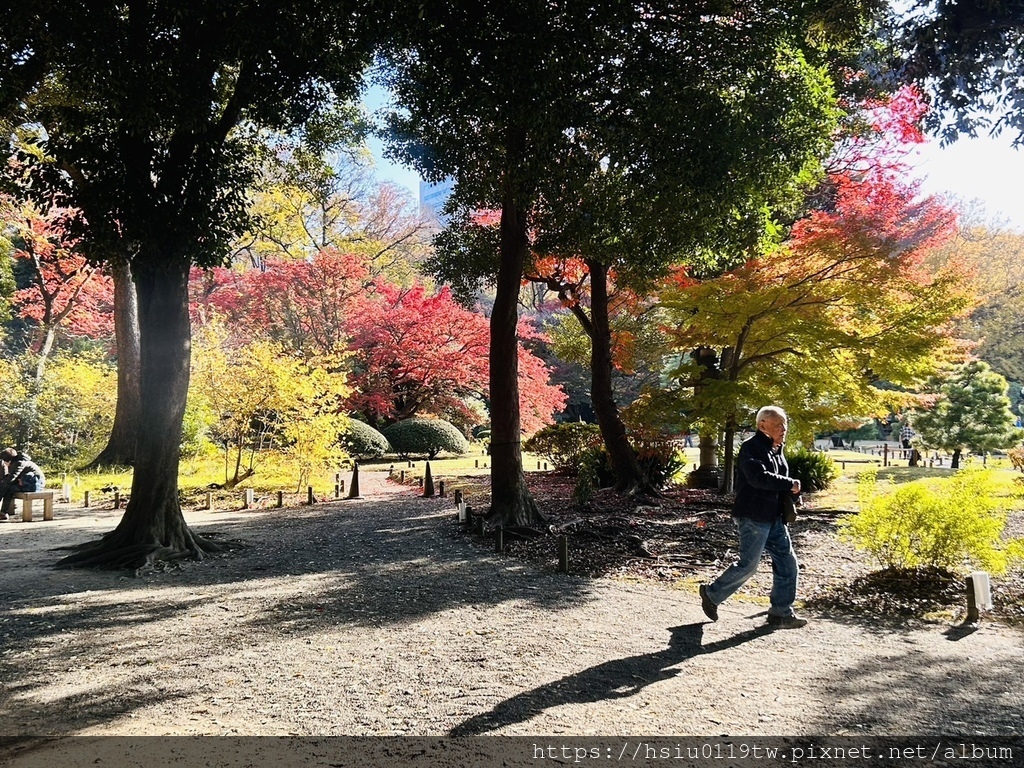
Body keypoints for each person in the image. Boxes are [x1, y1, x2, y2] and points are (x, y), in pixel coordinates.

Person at [699, 405, 806, 629]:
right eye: (778, 425)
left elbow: (777, 482)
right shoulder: (751, 448)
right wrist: (789, 483)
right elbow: (759, 478)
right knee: (748, 566)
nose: (783, 429)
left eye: (784, 424)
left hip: (774, 518)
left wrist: (792, 496)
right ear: (762, 425)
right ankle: (711, 594)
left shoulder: (776, 449)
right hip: (754, 517)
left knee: (788, 565)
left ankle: (780, 613)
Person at [0, 447, 46, 521]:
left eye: (4, 461)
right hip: (29, 482)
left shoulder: (19, 463)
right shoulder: (18, 461)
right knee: (8, 487)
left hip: (35, 484)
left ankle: (3, 513)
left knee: (8, 488)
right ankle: (3, 513)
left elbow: (11, 478)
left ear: (8, 460)